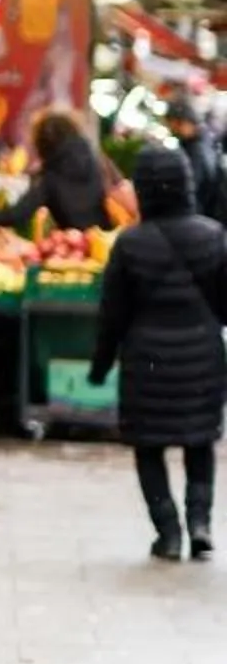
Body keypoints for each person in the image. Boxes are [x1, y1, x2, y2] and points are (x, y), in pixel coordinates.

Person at [89, 145, 227, 560]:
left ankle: (167, 531)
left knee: (148, 447)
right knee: (199, 442)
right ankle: (200, 523)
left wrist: (99, 365)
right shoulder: (214, 237)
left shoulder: (130, 245)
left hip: (146, 360)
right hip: (202, 356)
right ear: (186, 184)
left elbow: (112, 314)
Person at [3, 105, 117, 236]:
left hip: (74, 244)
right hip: (105, 241)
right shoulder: (97, 162)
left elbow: (17, 215)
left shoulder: (50, 177)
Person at [165, 91, 225, 224]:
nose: (171, 127)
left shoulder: (196, 151)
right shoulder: (204, 141)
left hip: (204, 219)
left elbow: (193, 190)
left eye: (172, 122)